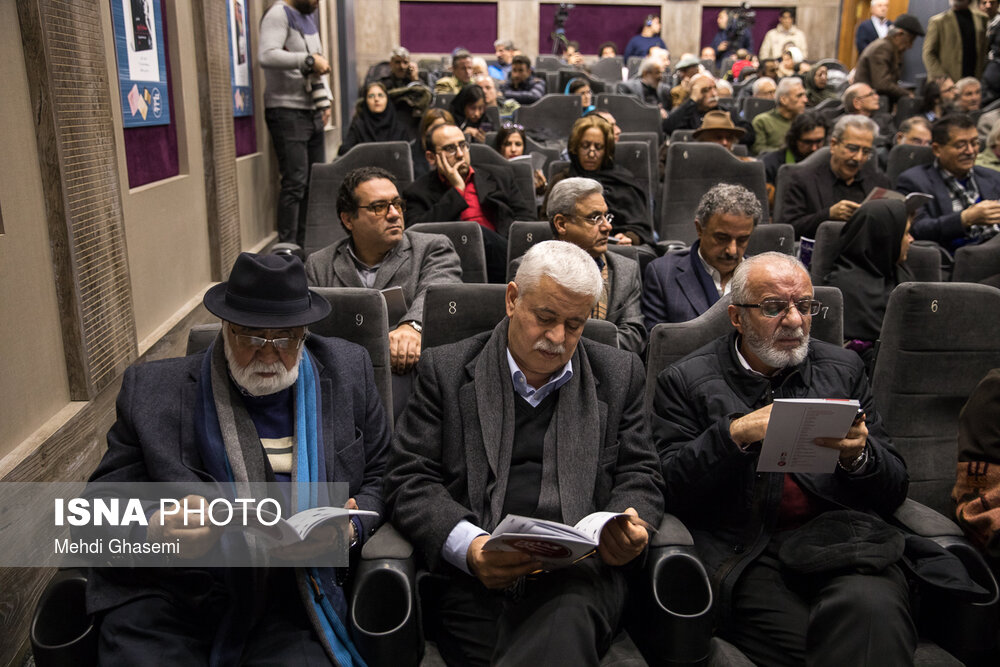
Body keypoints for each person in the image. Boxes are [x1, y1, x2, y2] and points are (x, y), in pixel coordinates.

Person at [87, 251, 391, 664]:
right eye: (251, 337)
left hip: (291, 597)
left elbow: (382, 472)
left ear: (304, 333)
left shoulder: (346, 370)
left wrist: (352, 527)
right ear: (226, 328)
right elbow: (96, 513)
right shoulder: (152, 392)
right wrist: (154, 529)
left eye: (284, 339)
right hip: (169, 597)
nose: (268, 355)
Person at [385, 240, 664, 666]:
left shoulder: (618, 374)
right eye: (546, 318)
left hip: (580, 575)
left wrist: (631, 523)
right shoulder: (446, 370)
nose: (557, 338)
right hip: (476, 577)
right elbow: (410, 478)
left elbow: (640, 473)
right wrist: (471, 547)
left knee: (566, 614)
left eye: (575, 324)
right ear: (513, 299)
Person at [652, 251, 916, 666]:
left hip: (844, 542)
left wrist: (860, 457)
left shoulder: (843, 368)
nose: (795, 321)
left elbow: (897, 484)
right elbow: (667, 486)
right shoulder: (685, 381)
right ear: (737, 317)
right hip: (750, 552)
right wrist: (734, 434)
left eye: (805, 306)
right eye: (774, 307)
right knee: (823, 647)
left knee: (872, 612)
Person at [305, 167, 463, 374]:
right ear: (348, 219)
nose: (394, 214)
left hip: (413, 375)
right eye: (379, 207)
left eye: (397, 204)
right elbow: (311, 332)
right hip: (345, 374)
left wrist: (412, 326)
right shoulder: (320, 264)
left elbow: (439, 292)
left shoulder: (431, 248)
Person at [403, 123, 535, 283]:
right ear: (431, 157)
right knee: (472, 232)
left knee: (479, 233)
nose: (460, 154)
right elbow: (415, 235)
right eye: (450, 148)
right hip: (452, 263)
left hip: (502, 256)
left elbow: (527, 223)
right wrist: (457, 190)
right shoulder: (417, 191)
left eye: (463, 145)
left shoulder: (500, 176)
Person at [260, 0, 332, 247]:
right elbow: (266, 55)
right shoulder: (278, 14)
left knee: (314, 182)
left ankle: (305, 247)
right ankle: (287, 251)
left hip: (312, 109)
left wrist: (326, 102)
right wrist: (308, 60)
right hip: (286, 110)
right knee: (295, 182)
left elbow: (320, 64)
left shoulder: (309, 17)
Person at [545, 178, 646, 353]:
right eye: (594, 218)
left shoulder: (625, 270)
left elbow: (634, 337)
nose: (607, 226)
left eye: (605, 216)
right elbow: (531, 334)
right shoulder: (533, 270)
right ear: (561, 224)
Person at [642, 184, 759, 328]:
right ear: (699, 229)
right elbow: (657, 345)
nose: (732, 251)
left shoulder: (763, 277)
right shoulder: (663, 274)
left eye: (742, 240)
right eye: (721, 238)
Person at [824, 199, 914, 368]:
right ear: (885, 238)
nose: (911, 239)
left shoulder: (900, 273)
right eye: (906, 233)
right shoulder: (843, 290)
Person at [896, 113, 1000, 250]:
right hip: (956, 260)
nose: (970, 151)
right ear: (937, 149)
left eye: (975, 143)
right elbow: (917, 229)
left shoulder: (992, 176)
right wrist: (964, 219)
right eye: (960, 145)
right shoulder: (914, 181)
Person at [777, 114, 890, 240]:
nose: (858, 158)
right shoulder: (802, 179)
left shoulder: (879, 182)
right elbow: (788, 229)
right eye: (852, 149)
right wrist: (828, 215)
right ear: (834, 144)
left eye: (866, 152)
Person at [545, 116, 653, 246]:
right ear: (575, 148)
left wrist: (630, 237)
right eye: (585, 146)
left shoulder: (623, 181)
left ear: (606, 151)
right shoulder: (562, 181)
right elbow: (548, 224)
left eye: (598, 147)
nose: (591, 153)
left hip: (619, 249)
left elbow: (641, 227)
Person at [855, 15, 926, 105]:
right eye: (910, 40)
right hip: (867, 103)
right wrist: (908, 94)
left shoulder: (889, 47)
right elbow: (882, 84)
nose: (910, 46)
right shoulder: (883, 48)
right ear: (899, 34)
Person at [760, 111, 827, 194]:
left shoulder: (831, 163)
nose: (814, 148)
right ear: (794, 139)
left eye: (819, 141)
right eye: (807, 142)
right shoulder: (771, 164)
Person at [337, 82, 411, 156]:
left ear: (387, 99)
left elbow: (407, 155)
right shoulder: (358, 126)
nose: (376, 99)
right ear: (366, 101)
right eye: (371, 96)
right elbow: (344, 150)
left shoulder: (399, 128)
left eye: (380, 95)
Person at [923, 0, 989, 82]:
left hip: (974, 82)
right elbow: (928, 53)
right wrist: (943, 77)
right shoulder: (938, 22)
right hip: (947, 84)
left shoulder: (982, 19)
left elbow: (984, 50)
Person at [752, 77, 808, 155]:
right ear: (784, 100)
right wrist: (788, 153)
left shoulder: (806, 121)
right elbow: (758, 150)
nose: (805, 100)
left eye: (805, 95)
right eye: (799, 96)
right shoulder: (762, 121)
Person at [495, 122, 546, 194]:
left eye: (518, 144)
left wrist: (541, 190)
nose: (513, 149)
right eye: (507, 144)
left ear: (523, 147)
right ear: (500, 147)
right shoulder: (491, 171)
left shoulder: (535, 171)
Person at [411, 108, 454, 178]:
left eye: (444, 127)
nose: (441, 132)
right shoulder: (412, 152)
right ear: (425, 130)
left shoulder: (458, 152)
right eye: (435, 127)